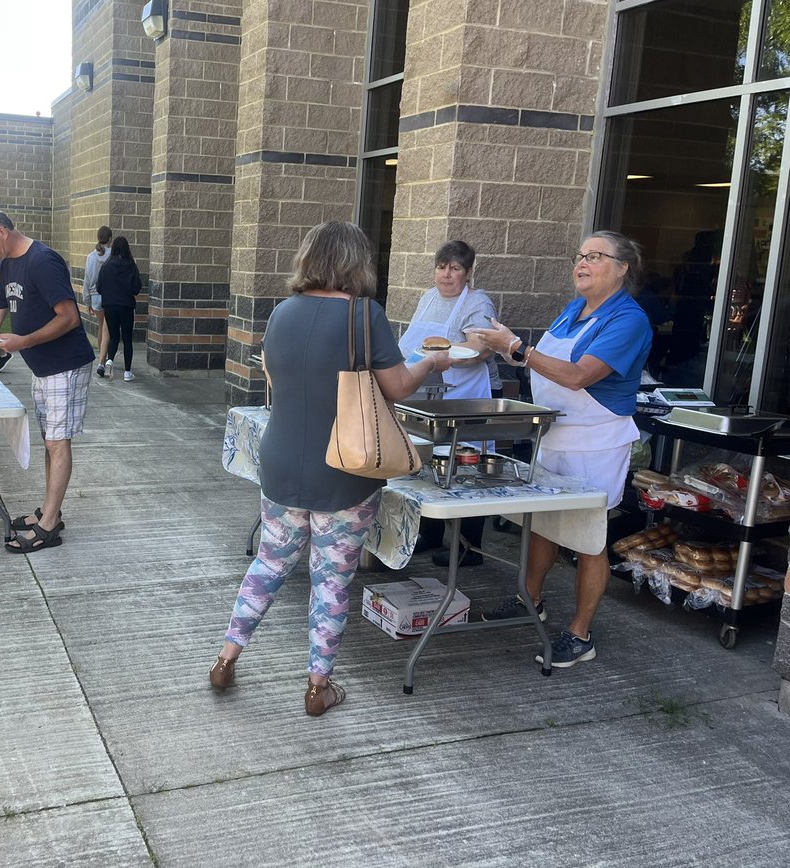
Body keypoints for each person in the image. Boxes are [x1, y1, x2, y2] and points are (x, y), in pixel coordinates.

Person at [209, 221, 454, 715]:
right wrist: (433, 364)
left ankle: (226, 657)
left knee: (269, 563)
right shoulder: (365, 316)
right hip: (345, 467)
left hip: (280, 460)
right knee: (332, 580)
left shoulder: (281, 313)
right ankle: (319, 687)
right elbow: (399, 386)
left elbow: (275, 374)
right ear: (355, 263)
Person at [468, 230, 652, 669]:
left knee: (589, 540)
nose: (582, 263)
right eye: (580, 255)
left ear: (623, 268)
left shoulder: (628, 320)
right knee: (543, 525)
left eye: (596, 257)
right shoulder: (575, 309)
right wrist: (501, 346)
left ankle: (580, 633)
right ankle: (529, 600)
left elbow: (577, 376)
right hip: (554, 436)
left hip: (596, 443)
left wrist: (517, 348)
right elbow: (538, 361)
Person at [0, 208, 96, 553]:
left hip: (66, 365)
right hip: (42, 368)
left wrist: (22, 342)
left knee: (58, 444)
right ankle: (50, 511)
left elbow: (70, 318)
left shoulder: (42, 261)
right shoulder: (7, 266)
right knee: (50, 441)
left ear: (1, 232)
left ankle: (48, 527)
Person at [398, 240, 499, 567]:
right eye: (442, 267)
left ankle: (468, 547)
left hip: (465, 394)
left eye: (455, 268)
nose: (446, 274)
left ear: (468, 273)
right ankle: (428, 534)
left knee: (468, 463)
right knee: (429, 460)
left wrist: (445, 356)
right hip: (428, 393)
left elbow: (479, 347)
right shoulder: (429, 298)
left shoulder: (477, 302)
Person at [97, 234, 142, 381]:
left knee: (114, 336)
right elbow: (137, 288)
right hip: (126, 306)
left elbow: (99, 288)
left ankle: (109, 361)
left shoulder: (106, 266)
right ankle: (127, 373)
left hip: (109, 306)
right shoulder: (131, 266)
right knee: (127, 338)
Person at [84, 225, 111, 376]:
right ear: (110, 239)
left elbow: (87, 280)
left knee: (102, 327)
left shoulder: (91, 257)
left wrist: (86, 301)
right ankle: (104, 359)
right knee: (109, 328)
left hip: (95, 296)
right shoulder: (113, 255)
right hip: (110, 296)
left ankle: (103, 356)